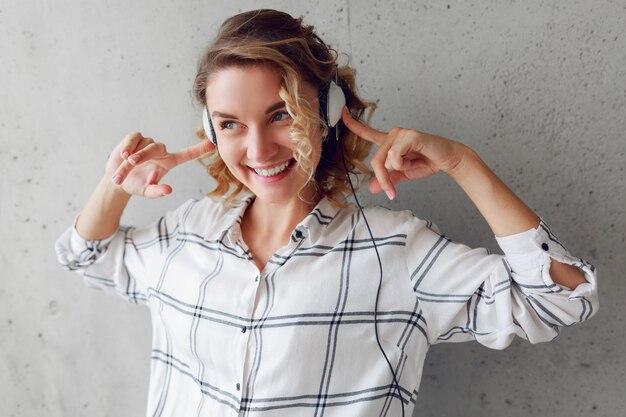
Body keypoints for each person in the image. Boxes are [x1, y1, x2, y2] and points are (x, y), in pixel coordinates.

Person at [55, 8, 598, 417]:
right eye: (231, 124)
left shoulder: (398, 254)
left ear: (328, 112)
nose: (260, 150)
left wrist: (463, 163)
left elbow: (559, 302)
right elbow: (87, 257)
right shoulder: (187, 232)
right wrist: (116, 184)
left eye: (281, 114)